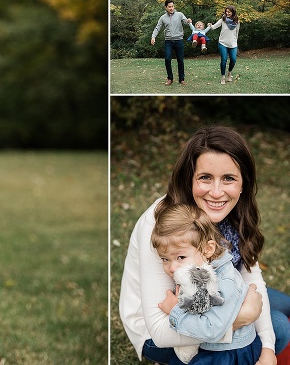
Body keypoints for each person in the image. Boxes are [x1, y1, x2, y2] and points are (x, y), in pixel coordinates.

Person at [119, 125, 290, 365]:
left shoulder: (234, 214)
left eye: (229, 179)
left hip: (216, 294)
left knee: (283, 305)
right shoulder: (162, 222)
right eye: (205, 178)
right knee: (280, 325)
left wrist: (269, 349)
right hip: (165, 329)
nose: (216, 192)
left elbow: (252, 281)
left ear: (243, 184)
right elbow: (158, 330)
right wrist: (240, 319)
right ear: (190, 179)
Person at [152, 203, 262, 364]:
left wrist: (175, 311)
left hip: (229, 353)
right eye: (165, 259)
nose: (172, 268)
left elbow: (211, 329)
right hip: (208, 346)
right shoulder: (196, 270)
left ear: (207, 250)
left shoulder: (224, 281)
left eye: (180, 257)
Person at [151, 0, 192, 85]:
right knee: (167, 59)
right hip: (168, 41)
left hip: (179, 40)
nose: (171, 8)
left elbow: (185, 21)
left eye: (172, 6)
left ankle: (181, 79)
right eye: (169, 7)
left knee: (180, 60)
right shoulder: (162, 18)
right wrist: (153, 37)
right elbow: (157, 28)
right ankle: (170, 78)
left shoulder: (179, 14)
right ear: (166, 7)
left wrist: (188, 21)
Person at [209, 6, 241, 84]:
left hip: (233, 44)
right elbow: (214, 27)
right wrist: (210, 25)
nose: (227, 13)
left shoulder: (237, 22)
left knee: (233, 60)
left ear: (233, 12)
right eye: (226, 12)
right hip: (222, 43)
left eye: (229, 12)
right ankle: (223, 77)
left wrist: (235, 42)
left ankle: (229, 73)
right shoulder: (223, 20)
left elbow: (237, 33)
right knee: (224, 59)